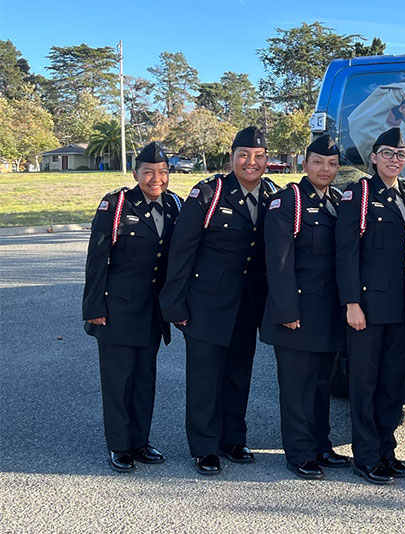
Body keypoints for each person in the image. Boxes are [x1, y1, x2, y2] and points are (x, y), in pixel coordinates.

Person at [159, 126, 279, 476]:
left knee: (239, 372)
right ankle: (204, 447)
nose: (251, 162)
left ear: (267, 160)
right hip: (206, 302)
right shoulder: (209, 193)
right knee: (205, 377)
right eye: (244, 155)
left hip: (248, 304)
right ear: (232, 157)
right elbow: (182, 250)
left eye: (258, 157)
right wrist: (175, 304)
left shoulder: (272, 194)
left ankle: (232, 439)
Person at [336, 127, 405, 485]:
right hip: (368, 309)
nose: (395, 159)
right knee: (364, 383)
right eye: (388, 153)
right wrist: (351, 303)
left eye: (401, 154)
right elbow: (345, 254)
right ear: (373, 157)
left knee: (391, 382)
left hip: (402, 307)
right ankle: (366, 455)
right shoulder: (359, 194)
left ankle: (387, 451)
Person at [82, 142, 182, 473]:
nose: (157, 178)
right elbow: (97, 259)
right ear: (136, 173)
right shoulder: (116, 204)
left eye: (163, 172)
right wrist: (94, 306)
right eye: (149, 172)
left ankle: (140, 441)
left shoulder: (174, 205)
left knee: (144, 378)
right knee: (118, 380)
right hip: (117, 309)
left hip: (152, 311)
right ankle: (119, 445)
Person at [262, 134, 352, 480]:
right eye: (318, 162)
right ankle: (299, 452)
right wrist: (286, 311)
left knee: (320, 385)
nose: (325, 169)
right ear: (305, 164)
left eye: (331, 164)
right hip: (296, 311)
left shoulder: (338, 203)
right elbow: (279, 261)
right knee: (297, 387)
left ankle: (320, 445)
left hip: (327, 312)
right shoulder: (289, 201)